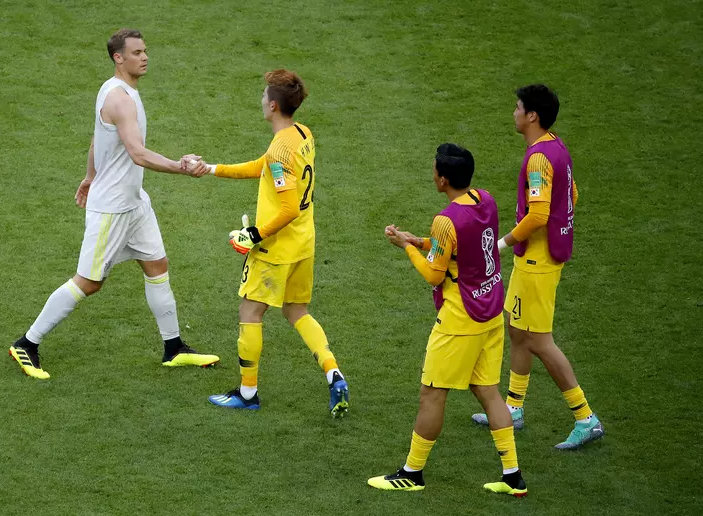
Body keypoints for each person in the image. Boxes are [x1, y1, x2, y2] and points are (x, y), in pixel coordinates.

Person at [8, 28, 219, 379]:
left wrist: (90, 175)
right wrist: (180, 167)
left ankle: (174, 348)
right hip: (113, 209)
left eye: (145, 51)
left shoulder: (116, 91)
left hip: (134, 203)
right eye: (137, 52)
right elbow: (137, 154)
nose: (145, 57)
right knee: (89, 283)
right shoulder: (120, 98)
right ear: (118, 58)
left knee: (157, 266)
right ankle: (26, 344)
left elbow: (97, 137)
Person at [368, 144, 526, 496]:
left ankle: (412, 473)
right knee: (488, 391)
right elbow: (462, 248)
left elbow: (435, 275)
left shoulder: (446, 220)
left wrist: (407, 248)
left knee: (432, 393)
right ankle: (513, 477)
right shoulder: (484, 199)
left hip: (460, 318)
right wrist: (419, 239)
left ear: (443, 178)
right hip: (490, 312)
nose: (433, 172)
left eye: (435, 168)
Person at [201, 69, 350, 417]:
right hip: (304, 244)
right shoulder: (301, 134)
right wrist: (211, 169)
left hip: (276, 249)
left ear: (272, 105)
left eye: (263, 96)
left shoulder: (281, 149)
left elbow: (287, 207)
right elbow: (263, 167)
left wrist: (253, 234)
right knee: (297, 310)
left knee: (250, 312)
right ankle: (333, 371)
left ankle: (248, 393)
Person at [471, 84, 604, 450]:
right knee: (516, 329)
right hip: (539, 258)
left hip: (537, 263)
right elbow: (571, 194)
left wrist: (501, 243)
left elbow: (539, 213)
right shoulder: (555, 147)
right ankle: (513, 407)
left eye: (517, 108)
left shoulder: (539, 159)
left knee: (540, 342)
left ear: (532, 115)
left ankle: (585, 417)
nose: (513, 113)